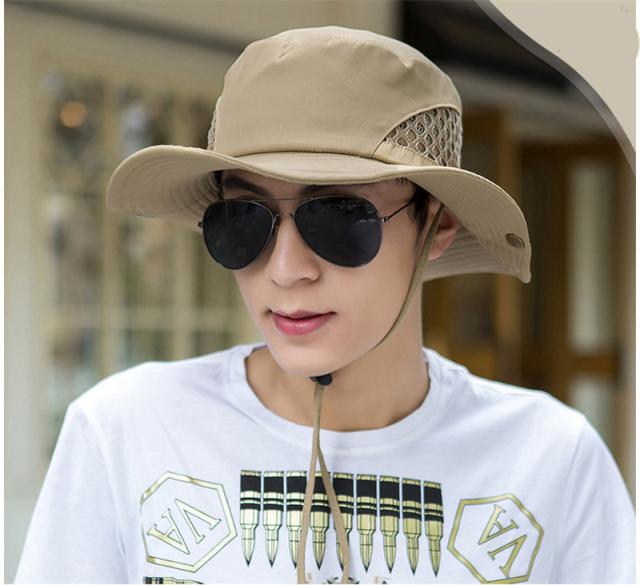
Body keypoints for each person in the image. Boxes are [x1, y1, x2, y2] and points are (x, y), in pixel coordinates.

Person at [15, 25, 634, 585]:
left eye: (338, 215)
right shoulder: (125, 432)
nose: (286, 270)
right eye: (243, 217)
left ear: (435, 224)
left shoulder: (551, 460)